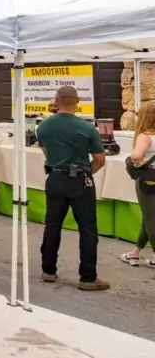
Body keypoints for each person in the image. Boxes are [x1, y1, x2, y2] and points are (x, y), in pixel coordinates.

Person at [36, 85, 109, 291]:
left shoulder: (44, 126)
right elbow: (100, 159)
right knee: (87, 229)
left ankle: (48, 269)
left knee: (52, 224)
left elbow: (45, 152)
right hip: (80, 180)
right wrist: (87, 172)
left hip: (55, 177)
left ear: (56, 100)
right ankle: (87, 277)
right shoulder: (87, 128)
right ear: (78, 102)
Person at [122, 101, 155, 267]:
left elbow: (136, 155)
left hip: (147, 182)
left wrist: (138, 165)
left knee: (151, 218)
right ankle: (136, 252)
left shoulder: (145, 136)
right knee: (148, 216)